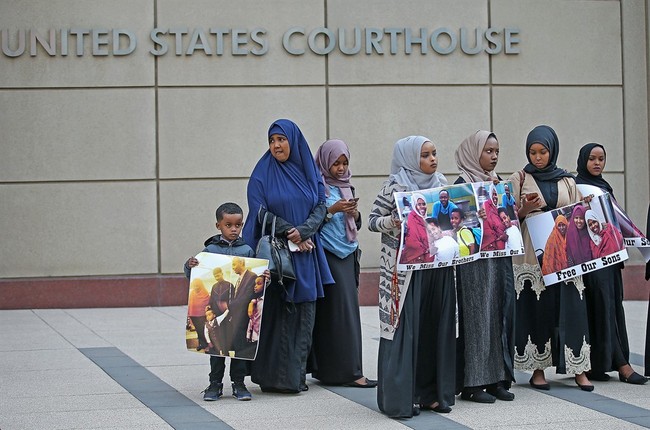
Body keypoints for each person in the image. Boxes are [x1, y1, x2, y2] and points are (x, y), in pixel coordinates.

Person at [242, 119, 334, 394]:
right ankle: (271, 377)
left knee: (304, 316)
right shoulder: (262, 174)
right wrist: (289, 231)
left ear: (293, 141)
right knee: (276, 315)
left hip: (306, 254)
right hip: (277, 257)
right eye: (272, 141)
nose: (276, 145)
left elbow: (321, 204)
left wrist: (303, 231)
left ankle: (295, 377)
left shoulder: (308, 171)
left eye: (281, 139)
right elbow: (258, 211)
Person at [368, 135, 456, 418]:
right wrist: (393, 221)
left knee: (433, 326)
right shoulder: (394, 186)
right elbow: (372, 221)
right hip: (405, 274)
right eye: (425, 155)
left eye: (434, 153)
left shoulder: (441, 184)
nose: (433, 159)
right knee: (406, 329)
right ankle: (402, 398)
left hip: (437, 270)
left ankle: (430, 394)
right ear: (409, 159)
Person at [508, 125, 593, 391]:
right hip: (533, 252)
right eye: (532, 152)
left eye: (542, 152)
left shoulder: (567, 180)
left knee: (572, 306)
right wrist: (524, 209)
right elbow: (506, 219)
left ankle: (579, 368)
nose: (537, 157)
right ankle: (538, 369)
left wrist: (587, 206)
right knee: (538, 307)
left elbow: (578, 214)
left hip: (567, 252)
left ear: (552, 150)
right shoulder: (519, 178)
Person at [453, 130, 516, 403]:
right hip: (474, 264)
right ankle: (473, 383)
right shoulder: (461, 185)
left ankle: (496, 379)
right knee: (478, 317)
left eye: (497, 151)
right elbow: (454, 225)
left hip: (498, 258)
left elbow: (507, 220)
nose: (494, 156)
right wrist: (472, 216)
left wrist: (518, 210)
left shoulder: (498, 184)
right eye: (488, 151)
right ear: (473, 153)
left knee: (498, 314)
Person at [576, 143, 646, 384]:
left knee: (613, 306)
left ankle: (606, 363)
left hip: (610, 257)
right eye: (592, 159)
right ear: (583, 160)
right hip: (590, 260)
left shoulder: (604, 187)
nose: (597, 163)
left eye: (601, 159)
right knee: (599, 306)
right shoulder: (577, 187)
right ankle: (619, 365)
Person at [310, 138, 376, 388]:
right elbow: (311, 222)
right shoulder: (317, 188)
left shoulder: (347, 186)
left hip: (347, 253)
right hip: (327, 254)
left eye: (344, 163)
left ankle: (342, 370)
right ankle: (346, 372)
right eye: (335, 163)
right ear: (325, 162)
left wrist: (354, 213)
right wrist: (332, 210)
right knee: (336, 314)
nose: (340, 168)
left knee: (346, 313)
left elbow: (356, 223)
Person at [184, 202, 256, 401]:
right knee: (217, 349)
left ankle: (239, 383)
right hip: (217, 316)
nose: (234, 229)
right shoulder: (210, 249)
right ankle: (214, 384)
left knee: (238, 348)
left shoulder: (247, 251)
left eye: (238, 225)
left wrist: (264, 276)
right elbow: (194, 276)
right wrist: (190, 266)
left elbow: (253, 282)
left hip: (238, 315)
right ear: (218, 226)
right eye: (228, 225)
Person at [227, 256, 260, 360]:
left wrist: (229, 306)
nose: (232, 267)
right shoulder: (240, 278)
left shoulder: (251, 276)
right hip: (237, 317)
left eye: (234, 264)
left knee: (241, 350)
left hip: (244, 318)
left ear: (241, 263)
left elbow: (247, 296)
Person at [400, 193, 435, 264]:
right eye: (419, 204)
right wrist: (427, 249)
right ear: (414, 205)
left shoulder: (424, 219)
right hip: (416, 260)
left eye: (423, 204)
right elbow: (412, 241)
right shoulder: (412, 218)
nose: (422, 206)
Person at [480, 184, 507, 251]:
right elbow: (491, 224)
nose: (494, 196)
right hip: (490, 247)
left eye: (495, 194)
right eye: (493, 194)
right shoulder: (487, 206)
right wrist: (502, 235)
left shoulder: (498, 210)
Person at [187, 278, 210, 351]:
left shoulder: (205, 293)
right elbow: (190, 304)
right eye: (195, 285)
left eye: (197, 285)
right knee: (198, 331)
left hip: (202, 316)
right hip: (194, 315)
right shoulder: (192, 293)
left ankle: (206, 345)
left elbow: (207, 303)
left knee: (203, 331)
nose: (196, 287)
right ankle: (201, 344)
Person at [246, 276, 265, 343]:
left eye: (259, 284)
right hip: (253, 337)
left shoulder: (264, 302)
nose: (255, 286)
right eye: (255, 284)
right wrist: (248, 334)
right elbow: (252, 319)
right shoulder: (256, 301)